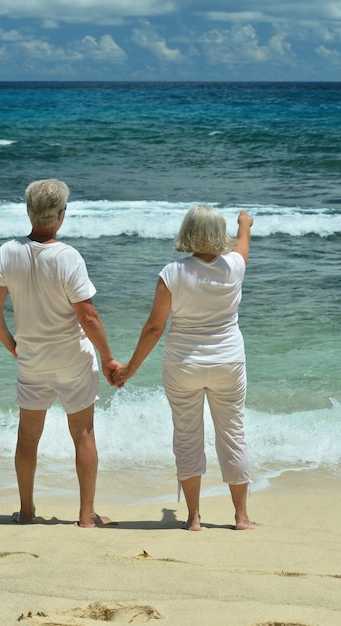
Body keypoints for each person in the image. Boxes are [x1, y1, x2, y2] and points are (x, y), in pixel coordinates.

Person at [112, 205, 257, 531]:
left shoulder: (173, 273)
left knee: (187, 438)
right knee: (233, 435)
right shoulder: (233, 267)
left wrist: (128, 369)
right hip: (228, 363)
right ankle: (242, 518)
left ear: (188, 233)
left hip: (184, 365)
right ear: (221, 236)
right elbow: (243, 245)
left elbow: (154, 328)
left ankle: (193, 518)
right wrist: (244, 223)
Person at [0, 179, 118, 526]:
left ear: (30, 212)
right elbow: (87, 316)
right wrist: (108, 357)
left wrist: (15, 348)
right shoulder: (67, 257)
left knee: (28, 437)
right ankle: (86, 515)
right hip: (72, 360)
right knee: (84, 435)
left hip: (31, 360)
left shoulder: (8, 252)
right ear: (60, 216)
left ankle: (27, 511)